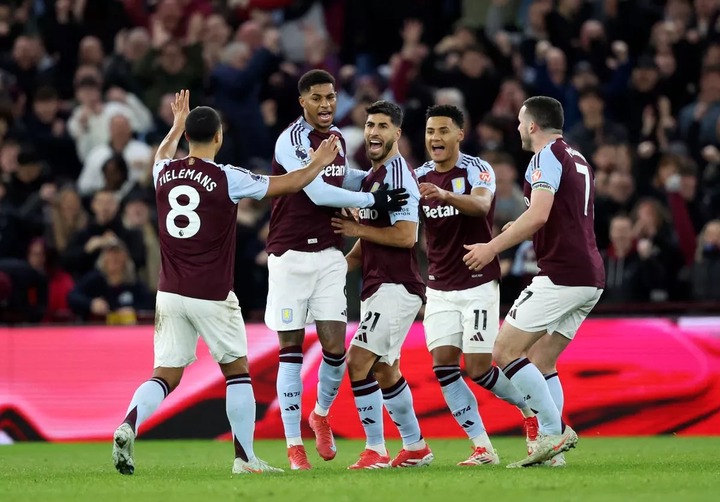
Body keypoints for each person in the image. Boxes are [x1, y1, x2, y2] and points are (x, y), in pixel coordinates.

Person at [111, 90, 343, 476]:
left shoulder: (163, 173)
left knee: (165, 374)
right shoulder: (227, 177)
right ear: (218, 137)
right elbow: (287, 184)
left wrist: (174, 125)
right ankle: (245, 459)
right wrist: (318, 161)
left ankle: (129, 424)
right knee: (237, 372)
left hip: (169, 292)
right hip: (212, 293)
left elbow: (159, 156)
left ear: (188, 136)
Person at [265, 70, 408, 470]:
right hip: (289, 256)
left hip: (329, 253)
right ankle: (294, 446)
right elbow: (317, 189)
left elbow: (337, 176)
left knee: (334, 347)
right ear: (302, 102)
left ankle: (321, 416)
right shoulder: (291, 141)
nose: (326, 104)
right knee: (290, 352)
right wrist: (371, 199)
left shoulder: (340, 139)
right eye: (317, 98)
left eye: (330, 97)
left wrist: (373, 179)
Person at [463, 96, 605, 468]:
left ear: (532, 125)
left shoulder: (544, 157)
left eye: (519, 121)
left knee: (505, 349)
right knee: (541, 359)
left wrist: (492, 247)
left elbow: (540, 214)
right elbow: (560, 215)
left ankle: (553, 430)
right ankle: (551, 452)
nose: (516, 127)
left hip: (562, 274)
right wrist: (520, 228)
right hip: (590, 275)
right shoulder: (575, 156)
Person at [415, 104, 537, 467]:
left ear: (459, 135)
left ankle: (532, 412)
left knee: (480, 367)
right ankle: (482, 446)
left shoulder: (477, 169)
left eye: (442, 131)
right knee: (443, 366)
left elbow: (483, 206)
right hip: (438, 285)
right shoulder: (417, 174)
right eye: (430, 132)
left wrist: (447, 196)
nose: (435, 138)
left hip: (477, 281)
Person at [331, 100, 431, 470]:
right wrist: (328, 279)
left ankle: (375, 449)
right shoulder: (374, 178)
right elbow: (361, 251)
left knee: (358, 362)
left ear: (397, 134)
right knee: (386, 370)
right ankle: (416, 446)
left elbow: (406, 236)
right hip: (378, 287)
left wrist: (356, 227)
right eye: (370, 125)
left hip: (397, 286)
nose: (374, 132)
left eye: (382, 126)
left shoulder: (399, 176)